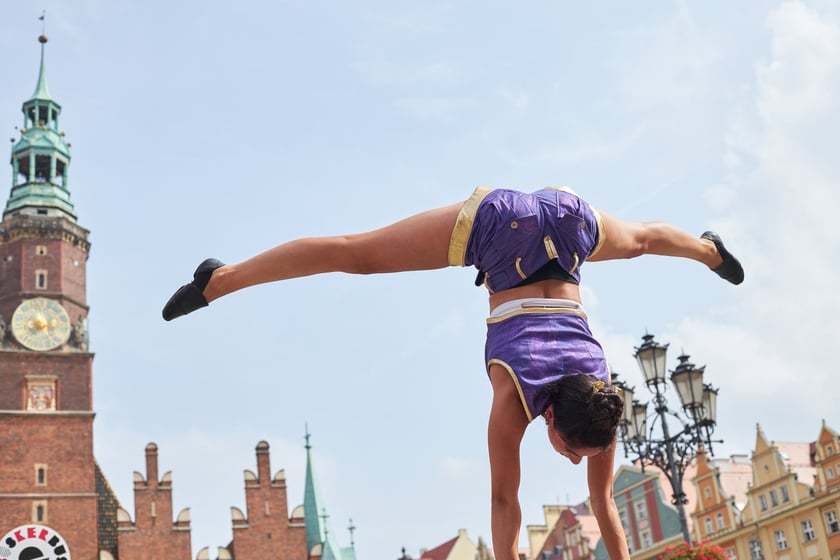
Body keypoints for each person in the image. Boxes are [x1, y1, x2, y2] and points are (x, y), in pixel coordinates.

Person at [162, 185, 743, 560]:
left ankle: (709, 251)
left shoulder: (599, 398)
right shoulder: (514, 397)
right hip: (499, 233)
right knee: (354, 253)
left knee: (639, 240)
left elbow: (605, 508)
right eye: (570, 451)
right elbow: (504, 500)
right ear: (552, 420)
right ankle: (220, 279)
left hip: (568, 223)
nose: (572, 458)